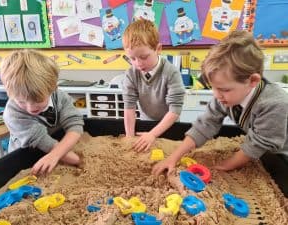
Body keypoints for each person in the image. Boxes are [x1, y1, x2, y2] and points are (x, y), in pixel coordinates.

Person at [153, 30, 288, 176]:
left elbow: (256, 145)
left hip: (282, 153)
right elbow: (205, 125)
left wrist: (225, 165)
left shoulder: (274, 104)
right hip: (265, 148)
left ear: (253, 81)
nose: (217, 95)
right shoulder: (224, 96)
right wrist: (173, 157)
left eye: (224, 89)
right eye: (213, 88)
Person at [0, 49, 84, 175]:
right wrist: (80, 161)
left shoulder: (60, 96)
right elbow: (44, 142)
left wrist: (56, 154)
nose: (30, 108)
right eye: (21, 101)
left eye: (38, 100)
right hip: (25, 157)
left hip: (55, 149)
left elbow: (75, 125)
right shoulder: (13, 114)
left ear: (53, 89)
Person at [122, 19, 185, 152]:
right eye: (132, 58)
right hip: (146, 123)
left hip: (169, 126)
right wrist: (129, 136)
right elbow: (129, 107)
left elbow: (174, 110)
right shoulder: (131, 74)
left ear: (158, 49)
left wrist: (153, 134)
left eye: (144, 57)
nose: (138, 63)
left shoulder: (171, 72)